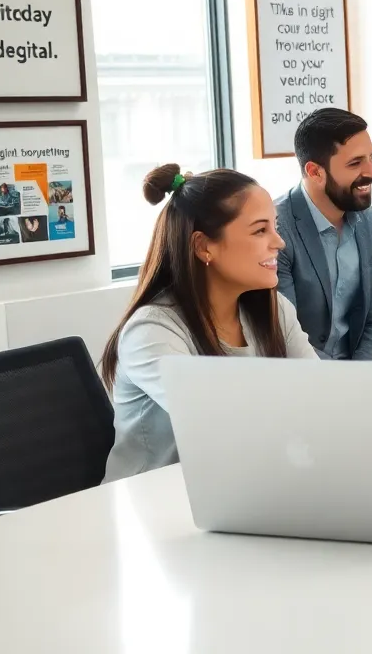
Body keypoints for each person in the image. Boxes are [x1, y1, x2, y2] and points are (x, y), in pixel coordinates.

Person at [102, 165, 318, 482]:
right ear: (203, 246)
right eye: (260, 231)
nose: (279, 243)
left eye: (276, 227)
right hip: (153, 503)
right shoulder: (151, 330)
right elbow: (223, 425)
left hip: (240, 486)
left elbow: (318, 396)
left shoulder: (273, 309)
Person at [275, 107, 372, 360]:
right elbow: (284, 336)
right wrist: (339, 384)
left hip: (356, 378)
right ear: (315, 172)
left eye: (371, 157)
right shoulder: (276, 230)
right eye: (355, 163)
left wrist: (358, 381)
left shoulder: (371, 221)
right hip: (303, 377)